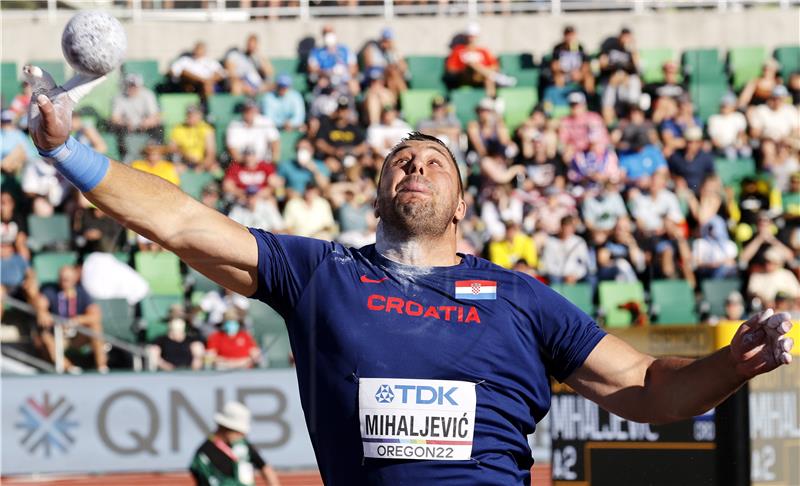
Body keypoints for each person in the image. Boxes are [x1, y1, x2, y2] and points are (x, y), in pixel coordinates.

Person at [26, 70, 796, 483]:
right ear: (381, 191)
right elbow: (183, 224)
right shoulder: (320, 273)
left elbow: (649, 389)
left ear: (462, 201)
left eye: (435, 161)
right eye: (402, 159)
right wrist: (70, 153)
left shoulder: (520, 297)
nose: (416, 165)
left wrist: (734, 361)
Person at [34, 265, 107, 373]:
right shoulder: (51, 290)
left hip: (77, 334)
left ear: (74, 279)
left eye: (67, 279)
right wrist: (42, 312)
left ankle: (102, 367)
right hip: (58, 335)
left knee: (96, 328)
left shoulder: (81, 293)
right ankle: (70, 369)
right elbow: (41, 302)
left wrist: (76, 320)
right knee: (45, 338)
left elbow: (95, 316)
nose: (64, 281)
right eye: (62, 278)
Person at [189, 401, 281, 486]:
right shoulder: (203, 455)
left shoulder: (242, 444)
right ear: (226, 427)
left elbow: (266, 469)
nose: (243, 435)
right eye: (239, 432)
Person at [444, 22, 514, 97]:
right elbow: (451, 69)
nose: (471, 39)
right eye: (469, 36)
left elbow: (494, 66)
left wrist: (481, 70)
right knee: (471, 63)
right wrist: (469, 66)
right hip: (464, 78)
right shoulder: (458, 51)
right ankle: (497, 78)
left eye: (473, 36)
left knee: (488, 78)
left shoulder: (483, 51)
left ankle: (491, 103)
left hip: (480, 77)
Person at [110, 73, 162, 155]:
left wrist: (147, 122)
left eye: (134, 86)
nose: (132, 88)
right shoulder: (119, 97)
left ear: (140, 86)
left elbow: (155, 115)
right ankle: (125, 154)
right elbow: (114, 118)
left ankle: (154, 153)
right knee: (116, 129)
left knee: (158, 126)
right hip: (127, 128)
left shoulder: (148, 95)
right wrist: (124, 123)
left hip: (146, 127)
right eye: (130, 85)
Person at [148, 304, 204, 371]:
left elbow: (198, 358)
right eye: (174, 320)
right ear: (169, 322)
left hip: (188, 374)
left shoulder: (193, 341)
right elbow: (154, 356)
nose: (177, 323)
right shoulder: (160, 340)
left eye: (181, 320)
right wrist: (166, 366)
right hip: (166, 375)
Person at [307, 25, 359, 94]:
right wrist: (326, 73)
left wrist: (343, 73)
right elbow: (312, 68)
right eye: (326, 33)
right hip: (326, 78)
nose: (329, 35)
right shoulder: (317, 52)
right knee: (321, 83)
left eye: (330, 32)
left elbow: (354, 67)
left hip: (343, 78)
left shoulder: (344, 50)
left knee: (353, 85)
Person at [169, 41, 226, 105]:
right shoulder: (185, 60)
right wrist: (201, 80)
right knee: (204, 84)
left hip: (208, 84)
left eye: (201, 49)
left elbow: (222, 74)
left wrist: (208, 80)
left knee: (207, 85)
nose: (199, 51)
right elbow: (176, 72)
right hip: (190, 84)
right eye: (197, 49)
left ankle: (209, 108)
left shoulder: (211, 62)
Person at [168, 105, 218, 172]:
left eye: (193, 115)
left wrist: (202, 166)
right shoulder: (178, 128)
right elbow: (171, 148)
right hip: (184, 161)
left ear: (200, 116)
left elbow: (211, 153)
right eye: (188, 114)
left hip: (202, 161)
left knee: (215, 169)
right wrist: (185, 154)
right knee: (173, 169)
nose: (190, 117)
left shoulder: (206, 129)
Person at [361, 27, 408, 96]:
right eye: (384, 40)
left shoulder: (393, 51)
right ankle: (402, 100)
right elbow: (369, 65)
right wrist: (386, 68)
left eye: (388, 41)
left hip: (391, 78)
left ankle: (401, 100)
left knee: (394, 77)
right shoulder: (371, 48)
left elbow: (404, 68)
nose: (385, 43)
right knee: (392, 75)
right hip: (376, 78)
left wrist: (393, 53)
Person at [550, 25, 594, 95]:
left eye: (571, 35)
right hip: (564, 74)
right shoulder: (558, 48)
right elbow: (555, 66)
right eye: (567, 35)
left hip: (577, 73)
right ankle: (560, 101)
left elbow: (585, 64)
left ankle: (590, 99)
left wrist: (580, 73)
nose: (569, 37)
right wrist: (568, 72)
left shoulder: (579, 47)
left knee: (589, 77)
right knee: (558, 78)